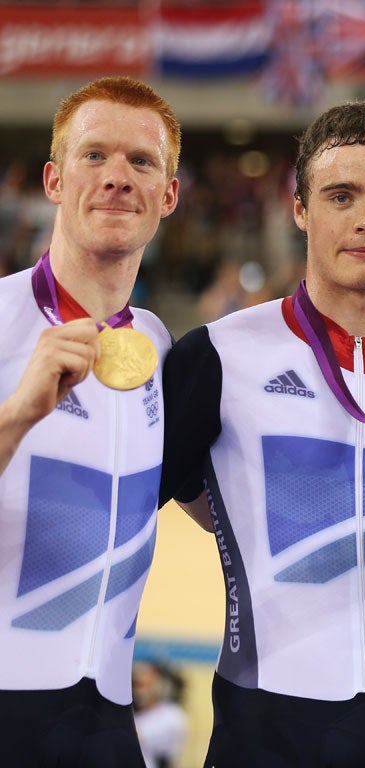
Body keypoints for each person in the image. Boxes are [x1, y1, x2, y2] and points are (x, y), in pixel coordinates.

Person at [160, 100, 365, 767]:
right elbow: (185, 498)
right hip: (264, 724)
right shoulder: (218, 354)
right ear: (299, 209)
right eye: (341, 195)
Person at [0, 76, 182, 766]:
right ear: (53, 179)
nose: (116, 177)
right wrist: (16, 415)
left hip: (103, 724)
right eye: (93, 155)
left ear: (167, 196)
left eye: (141, 161)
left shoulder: (162, 349)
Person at [132, 660, 188, 768]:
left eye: (146, 684)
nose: (139, 691)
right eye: (137, 684)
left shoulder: (172, 716)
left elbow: (129, 736)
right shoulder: (136, 715)